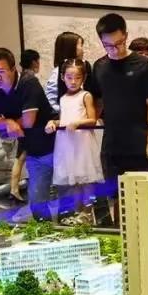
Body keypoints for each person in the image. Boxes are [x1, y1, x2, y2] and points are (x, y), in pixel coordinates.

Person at [91, 14, 148, 224]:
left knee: (143, 196)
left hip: (138, 142)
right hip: (112, 143)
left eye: (119, 43)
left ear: (126, 36)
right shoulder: (99, 66)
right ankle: (122, 234)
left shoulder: (143, 65)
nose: (115, 49)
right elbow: (96, 101)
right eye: (108, 46)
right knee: (116, 196)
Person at [0, 47, 58, 220]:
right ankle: (46, 234)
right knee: (37, 201)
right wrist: (7, 123)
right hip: (33, 149)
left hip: (56, 144)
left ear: (13, 69)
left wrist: (7, 122)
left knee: (70, 198)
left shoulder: (28, 82)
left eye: (1, 72)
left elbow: (28, 121)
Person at [46, 59, 103, 223]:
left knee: (86, 180)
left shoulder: (86, 96)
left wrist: (78, 123)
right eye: (69, 77)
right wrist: (53, 122)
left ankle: (88, 214)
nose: (73, 81)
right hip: (67, 143)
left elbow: (92, 119)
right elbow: (64, 120)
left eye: (77, 77)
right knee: (74, 182)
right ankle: (77, 214)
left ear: (83, 78)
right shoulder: (63, 98)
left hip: (82, 143)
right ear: (62, 77)